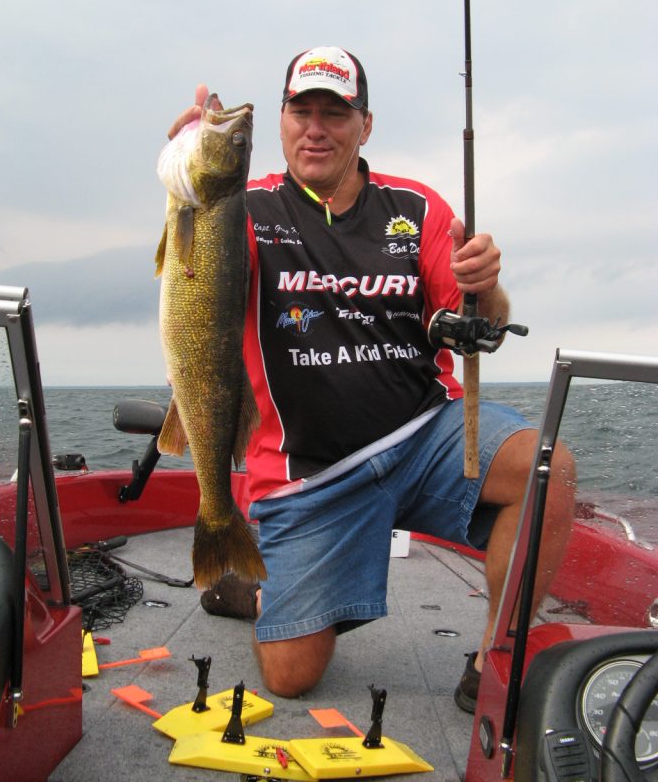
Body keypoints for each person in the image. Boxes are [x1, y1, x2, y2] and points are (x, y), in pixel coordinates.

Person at [168, 46, 576, 709]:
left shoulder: (418, 208)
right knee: (291, 677)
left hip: (424, 437)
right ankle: (265, 592)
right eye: (301, 111)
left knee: (546, 467)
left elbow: (485, 329)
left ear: (366, 125)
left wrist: (486, 288)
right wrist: (190, 172)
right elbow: (194, 263)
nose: (316, 129)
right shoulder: (244, 209)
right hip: (312, 474)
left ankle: (498, 655)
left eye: (335, 113)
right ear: (281, 120)